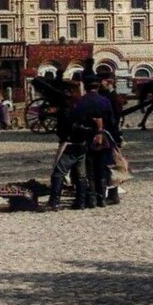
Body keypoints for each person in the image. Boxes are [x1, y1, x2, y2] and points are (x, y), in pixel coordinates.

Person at [76, 76, 120, 208]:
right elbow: (112, 122)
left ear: (86, 86)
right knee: (102, 168)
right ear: (97, 87)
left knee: (89, 170)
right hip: (103, 138)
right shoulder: (105, 101)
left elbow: (76, 120)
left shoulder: (81, 102)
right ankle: (102, 199)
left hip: (87, 138)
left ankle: (92, 199)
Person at [48, 81, 90, 210]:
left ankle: (54, 202)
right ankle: (81, 202)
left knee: (58, 173)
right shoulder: (83, 107)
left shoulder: (67, 109)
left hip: (69, 144)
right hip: (82, 144)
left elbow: (64, 127)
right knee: (81, 175)